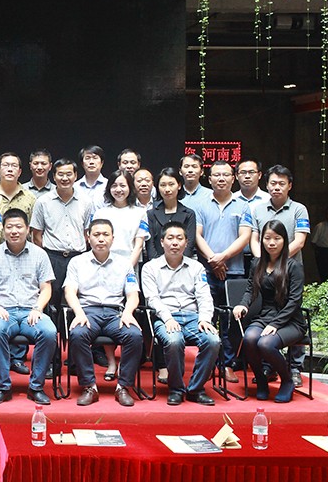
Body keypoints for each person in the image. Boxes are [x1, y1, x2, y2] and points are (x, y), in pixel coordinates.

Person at [0, 209, 57, 405]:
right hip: (4, 310)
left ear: (27, 229)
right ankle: (3, 387)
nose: (14, 231)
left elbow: (46, 288)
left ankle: (36, 387)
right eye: (9, 227)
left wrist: (38, 308)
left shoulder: (40, 254)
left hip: (32, 310)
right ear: (3, 229)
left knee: (49, 332)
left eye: (19, 227)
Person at [64, 218, 143, 407]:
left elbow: (133, 294)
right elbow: (70, 292)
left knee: (134, 335)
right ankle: (89, 387)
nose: (101, 239)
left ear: (113, 238)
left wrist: (128, 312)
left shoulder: (124, 264)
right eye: (96, 234)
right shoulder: (77, 262)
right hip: (88, 312)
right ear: (88, 237)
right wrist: (79, 313)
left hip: (116, 314)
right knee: (77, 334)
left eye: (105, 234)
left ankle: (123, 387)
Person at [142, 221, 220, 406]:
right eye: (170, 238)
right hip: (165, 317)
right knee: (174, 341)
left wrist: (205, 319)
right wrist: (168, 318)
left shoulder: (196, 267)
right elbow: (152, 299)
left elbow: (204, 296)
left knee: (213, 341)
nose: (175, 242)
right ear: (162, 242)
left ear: (186, 242)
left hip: (193, 317)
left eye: (179, 238)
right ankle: (176, 389)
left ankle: (195, 389)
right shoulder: (150, 268)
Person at [249, 164, 310, 386]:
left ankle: (294, 368)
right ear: (266, 185)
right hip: (265, 271)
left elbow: (300, 241)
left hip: (290, 270)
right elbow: (254, 238)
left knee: (291, 312)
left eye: (281, 184)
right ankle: (269, 366)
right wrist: (262, 261)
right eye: (273, 183)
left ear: (289, 186)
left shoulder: (299, 209)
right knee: (267, 314)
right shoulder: (258, 209)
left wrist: (277, 260)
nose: (276, 187)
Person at [194, 160, 253, 384]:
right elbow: (197, 235)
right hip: (207, 271)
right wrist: (213, 260)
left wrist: (223, 257)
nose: (221, 179)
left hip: (234, 271)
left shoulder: (243, 206)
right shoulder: (201, 205)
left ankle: (227, 364)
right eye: (216, 175)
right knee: (208, 316)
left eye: (226, 175)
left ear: (233, 178)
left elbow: (245, 237)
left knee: (231, 320)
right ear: (209, 179)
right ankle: (209, 364)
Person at [233, 220, 306, 403]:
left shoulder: (293, 266)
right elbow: (250, 290)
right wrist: (243, 305)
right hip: (265, 316)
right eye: (267, 238)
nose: (271, 243)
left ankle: (287, 380)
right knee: (249, 339)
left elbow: (295, 301)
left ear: (284, 240)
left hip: (290, 320)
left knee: (265, 344)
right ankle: (261, 380)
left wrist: (276, 324)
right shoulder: (257, 263)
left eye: (276, 238)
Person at [91, 169, 150, 379]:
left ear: (130, 188)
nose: (119, 189)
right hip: (102, 267)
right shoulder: (101, 212)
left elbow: (139, 244)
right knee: (108, 309)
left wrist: (125, 269)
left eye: (123, 185)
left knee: (128, 313)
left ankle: (127, 363)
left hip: (129, 267)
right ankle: (111, 362)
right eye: (114, 185)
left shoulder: (140, 212)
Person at [29, 158, 91, 327]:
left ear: (75, 176)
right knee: (52, 301)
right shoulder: (43, 202)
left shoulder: (86, 201)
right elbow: (37, 235)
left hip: (78, 257)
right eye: (60, 174)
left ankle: (75, 336)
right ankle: (52, 339)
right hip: (52, 257)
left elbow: (87, 232)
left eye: (69, 174)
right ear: (54, 176)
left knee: (78, 299)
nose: (65, 178)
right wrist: (44, 258)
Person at [145, 167, 197, 262]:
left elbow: (189, 245)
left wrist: (179, 265)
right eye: (163, 185)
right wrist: (158, 265)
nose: (167, 189)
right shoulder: (151, 214)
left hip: (183, 265)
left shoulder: (189, 214)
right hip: (156, 266)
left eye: (171, 184)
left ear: (179, 185)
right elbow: (150, 246)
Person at [0, 152, 35, 244]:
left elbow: (33, 231)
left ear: (19, 172)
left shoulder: (30, 198)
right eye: (6, 165)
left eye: (14, 166)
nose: (10, 169)